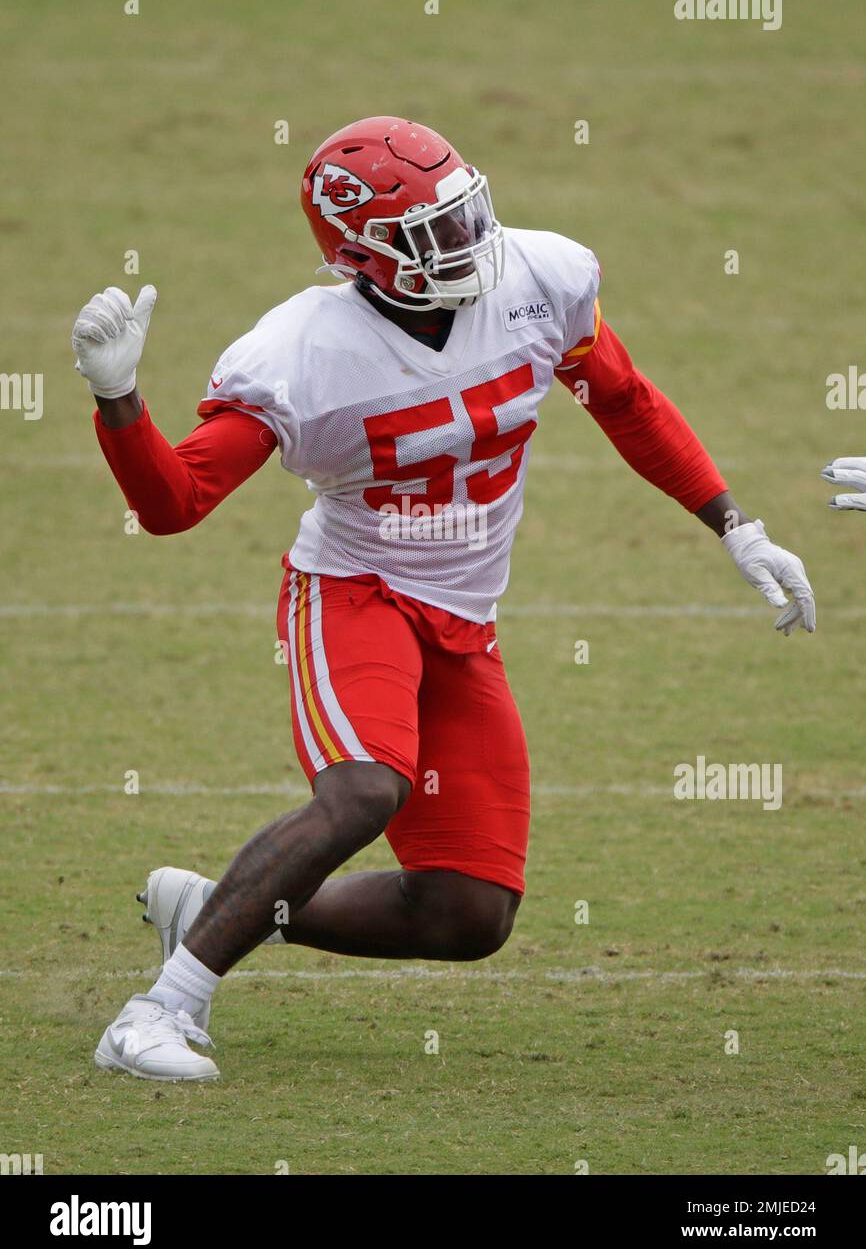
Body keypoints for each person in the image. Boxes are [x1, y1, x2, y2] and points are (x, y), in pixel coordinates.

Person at [71, 116, 816, 1080]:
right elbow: (175, 504)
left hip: (466, 620)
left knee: (471, 911)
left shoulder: (539, 280)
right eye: (432, 235)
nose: (468, 245)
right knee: (365, 789)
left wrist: (736, 524)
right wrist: (121, 399)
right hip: (356, 591)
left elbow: (624, 399)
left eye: (465, 217)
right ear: (361, 254)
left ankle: (220, 905)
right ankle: (158, 1012)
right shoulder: (305, 350)